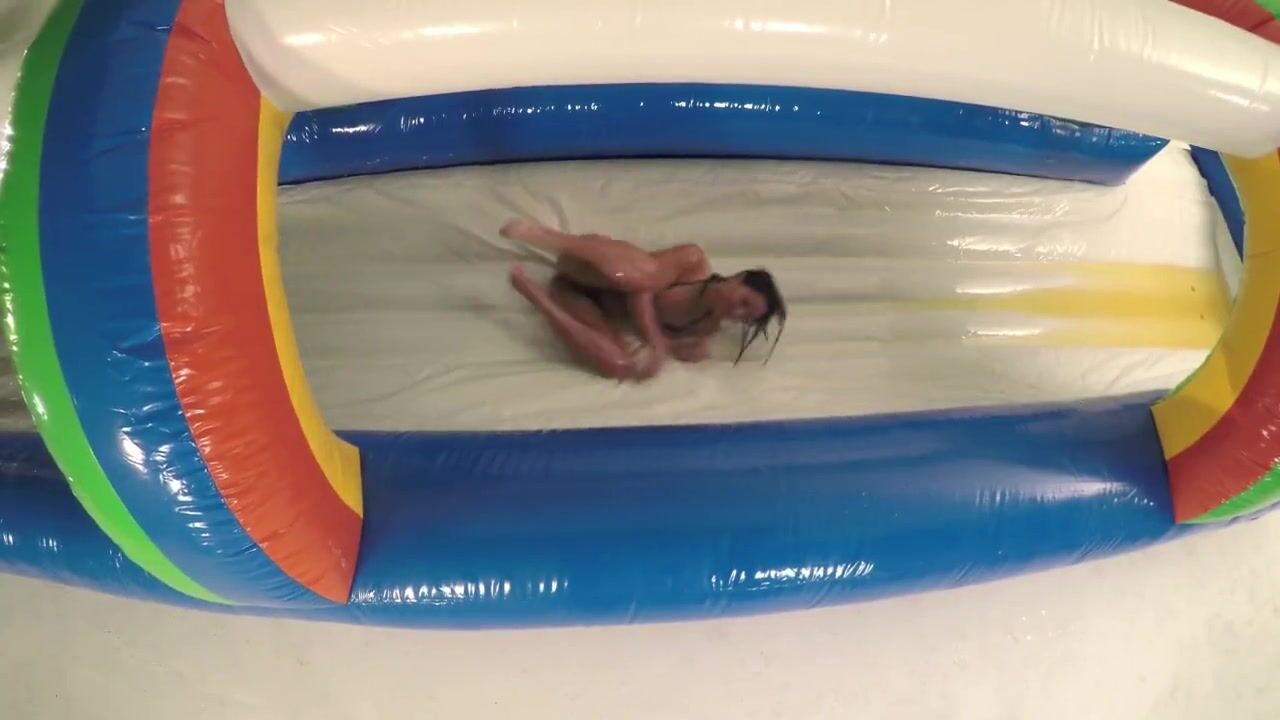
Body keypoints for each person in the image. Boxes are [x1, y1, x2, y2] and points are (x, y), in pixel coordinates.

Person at [502, 219, 786, 380]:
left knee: (619, 366)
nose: (736, 312)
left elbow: (669, 344)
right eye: (744, 302)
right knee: (639, 276)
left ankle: (534, 295)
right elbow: (640, 293)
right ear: (738, 277)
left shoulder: (706, 325)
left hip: (575, 296)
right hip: (587, 263)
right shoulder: (692, 262)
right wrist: (656, 341)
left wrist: (678, 349)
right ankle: (544, 236)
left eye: (744, 317)